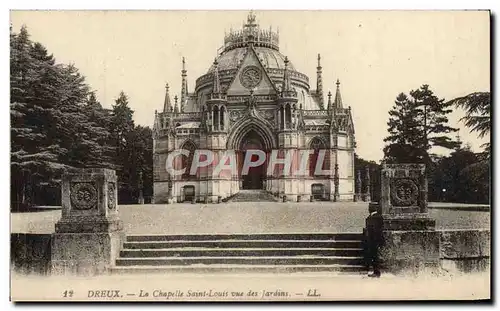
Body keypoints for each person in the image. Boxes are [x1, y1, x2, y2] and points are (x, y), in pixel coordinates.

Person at [365, 204, 384, 277]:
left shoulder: (373, 218)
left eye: (369, 208)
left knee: (375, 256)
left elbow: (374, 230)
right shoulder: (377, 217)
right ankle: (376, 272)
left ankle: (377, 272)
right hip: (376, 240)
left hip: (374, 241)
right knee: (374, 256)